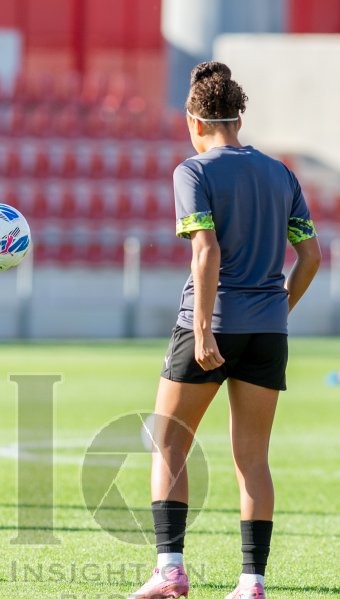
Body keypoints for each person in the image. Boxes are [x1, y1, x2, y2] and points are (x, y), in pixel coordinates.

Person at [130, 62, 321, 599]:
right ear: (239, 116)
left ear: (194, 120)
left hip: (208, 324)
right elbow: (310, 256)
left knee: (168, 442)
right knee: (253, 458)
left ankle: (171, 572)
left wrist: (208, 330)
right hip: (268, 331)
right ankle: (251, 582)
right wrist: (278, 307)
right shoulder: (280, 173)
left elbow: (206, 250)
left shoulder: (194, 171)